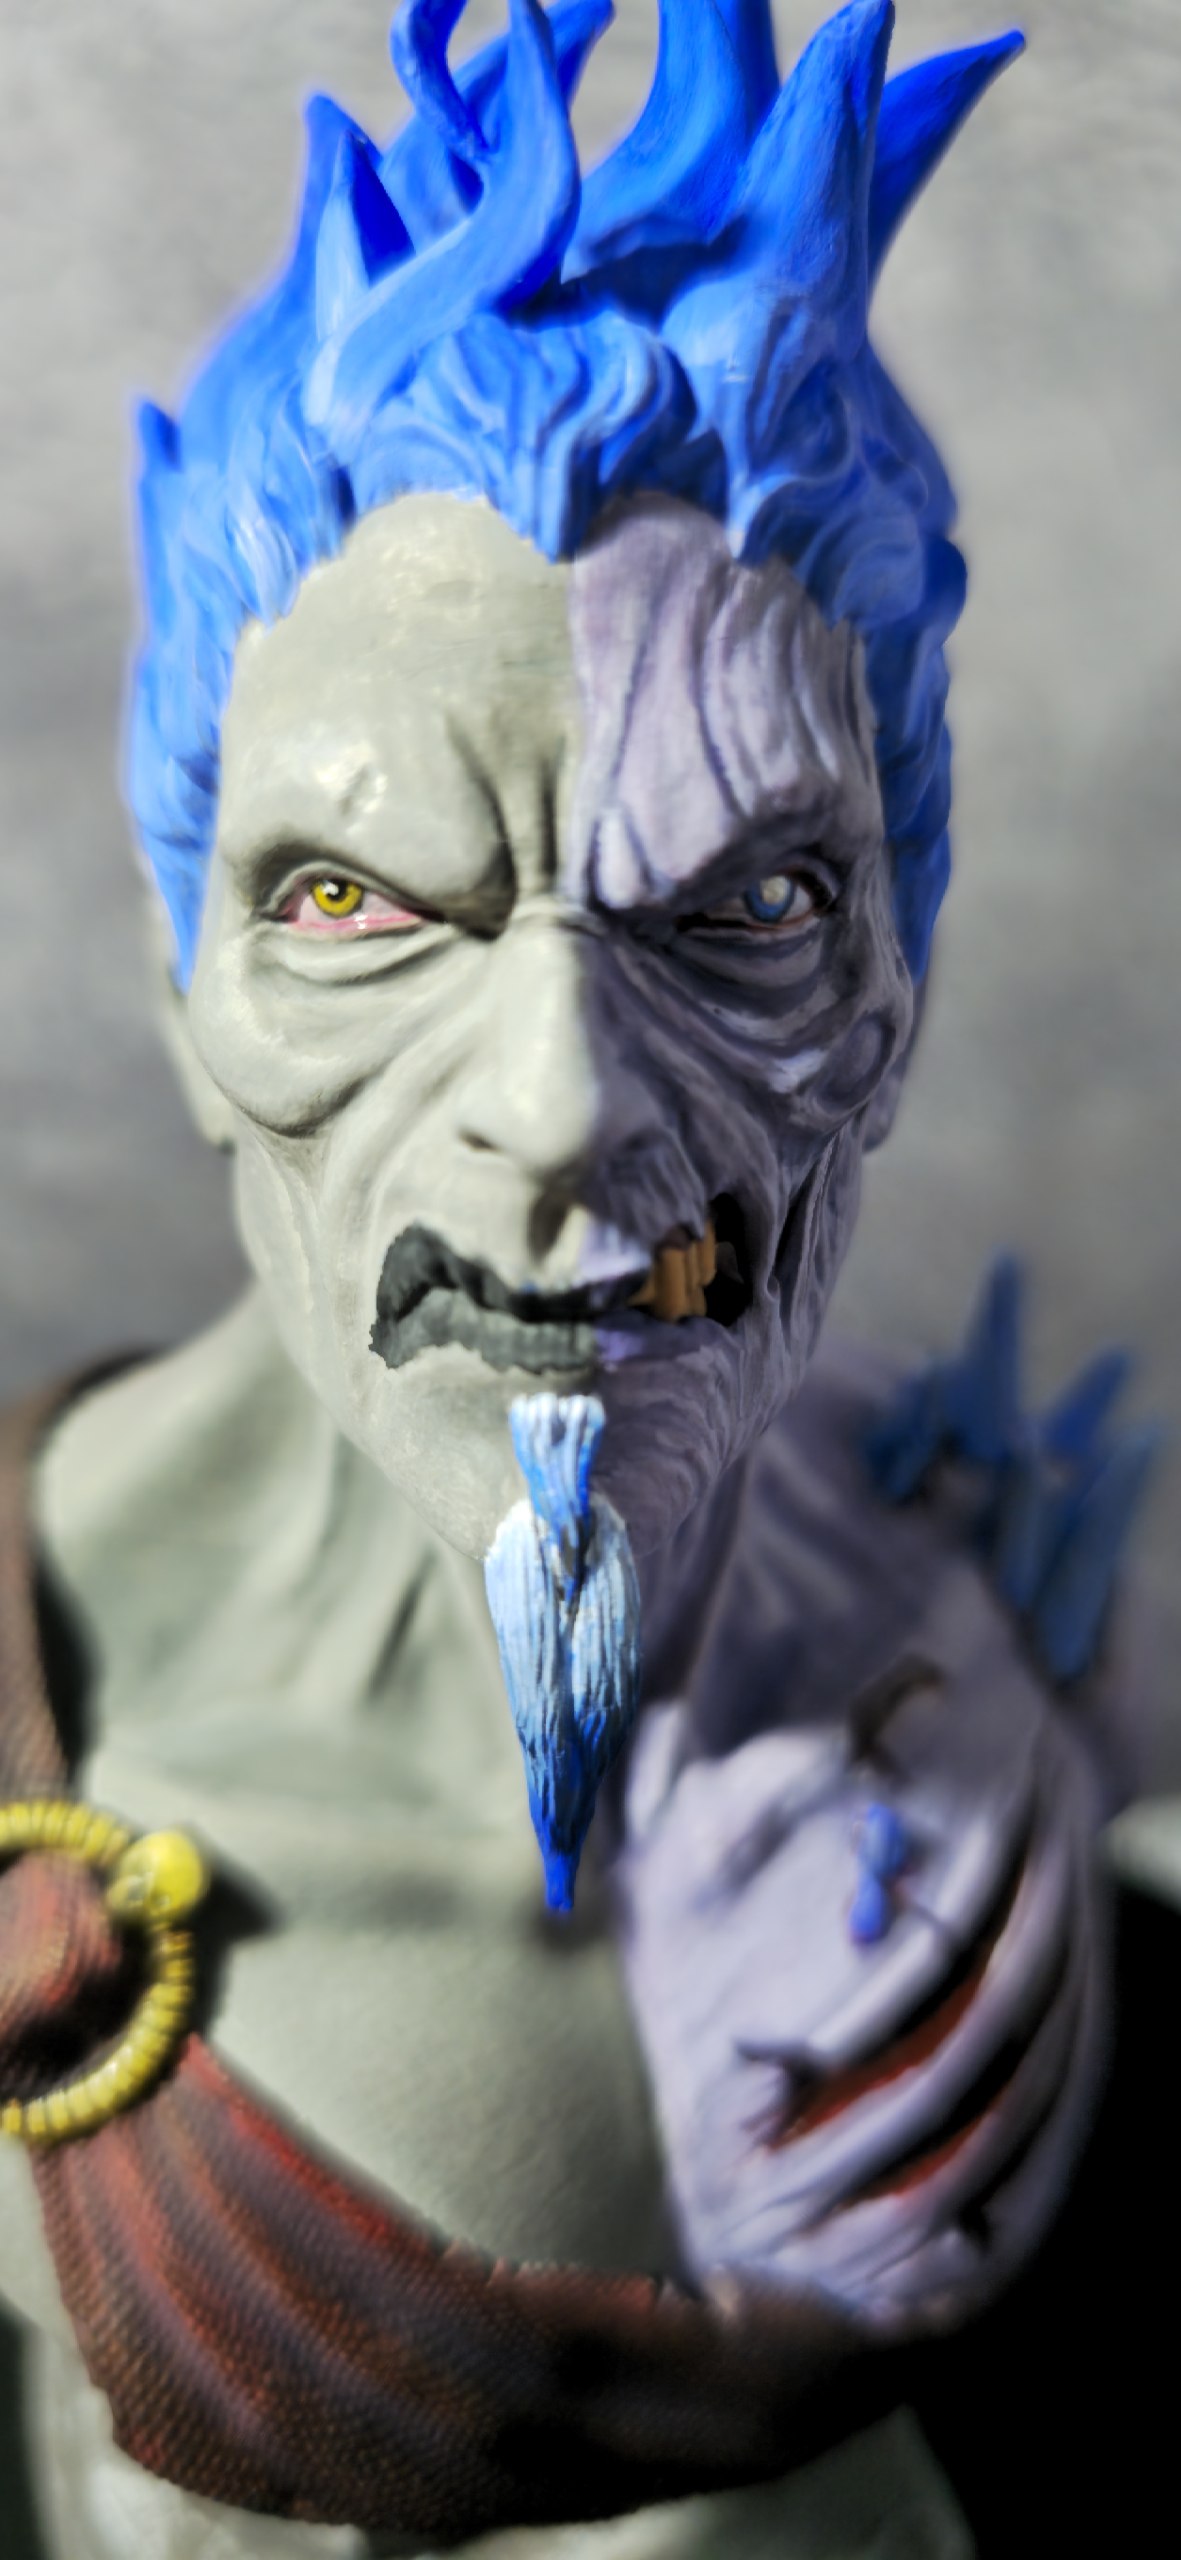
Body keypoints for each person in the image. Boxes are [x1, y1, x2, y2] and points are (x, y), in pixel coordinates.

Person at [0, 5, 1160, 2554]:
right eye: (353, 902)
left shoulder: (964, 1598)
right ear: (191, 996)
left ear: (896, 990)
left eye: (754, 904)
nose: (554, 1094)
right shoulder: (69, 1714)